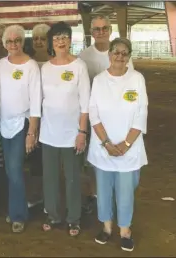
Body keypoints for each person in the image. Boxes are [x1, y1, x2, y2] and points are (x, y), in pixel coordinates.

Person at [88, 38, 147, 252]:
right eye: (116, 52)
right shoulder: (99, 80)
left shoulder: (137, 79)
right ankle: (106, 227)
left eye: (124, 53)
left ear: (129, 56)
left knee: (125, 191)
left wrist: (126, 144)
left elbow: (141, 113)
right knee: (103, 190)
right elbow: (93, 112)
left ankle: (124, 230)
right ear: (109, 54)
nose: (120, 57)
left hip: (128, 150)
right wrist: (106, 142)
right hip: (103, 147)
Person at [79, 15, 134, 214]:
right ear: (91, 32)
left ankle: (116, 196)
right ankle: (95, 195)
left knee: (118, 155)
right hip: (96, 119)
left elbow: (130, 85)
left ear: (110, 31)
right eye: (97, 29)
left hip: (119, 119)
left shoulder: (122, 55)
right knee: (94, 159)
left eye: (104, 28)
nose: (101, 32)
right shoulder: (84, 57)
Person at [39, 22, 90, 237]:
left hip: (72, 133)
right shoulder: (46, 67)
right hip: (49, 132)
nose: (61, 41)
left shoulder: (79, 66)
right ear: (52, 42)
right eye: (57, 37)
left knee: (72, 177)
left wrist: (82, 132)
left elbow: (85, 104)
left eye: (65, 37)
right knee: (49, 177)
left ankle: (73, 218)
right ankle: (53, 214)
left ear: (70, 40)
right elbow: (39, 99)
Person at [0, 25, 41, 233]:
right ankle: (17, 208)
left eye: (17, 41)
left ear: (23, 42)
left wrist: (32, 132)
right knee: (9, 169)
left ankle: (18, 215)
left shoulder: (31, 66)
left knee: (15, 169)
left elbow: (35, 101)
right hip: (2, 123)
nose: (13, 44)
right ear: (4, 43)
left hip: (21, 122)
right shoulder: (0, 64)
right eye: (9, 41)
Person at [25, 23, 51, 210]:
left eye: (43, 38)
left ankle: (51, 197)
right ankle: (36, 195)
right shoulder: (28, 62)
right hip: (32, 119)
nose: (39, 42)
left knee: (50, 161)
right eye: (36, 39)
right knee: (34, 161)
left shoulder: (54, 63)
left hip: (51, 120)